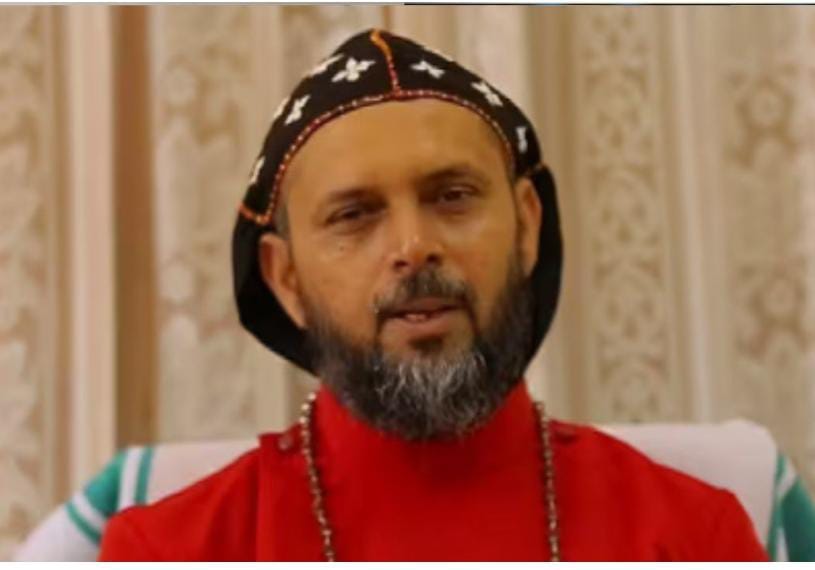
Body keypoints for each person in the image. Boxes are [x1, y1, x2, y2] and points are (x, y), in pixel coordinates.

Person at [98, 29, 767, 561]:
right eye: (354, 214)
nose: (413, 246)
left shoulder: (692, 534)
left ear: (527, 225)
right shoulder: (169, 551)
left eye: (452, 196)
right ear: (286, 279)